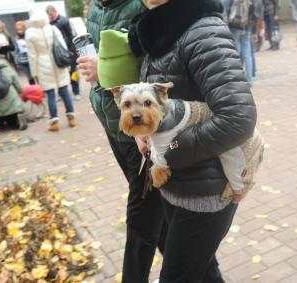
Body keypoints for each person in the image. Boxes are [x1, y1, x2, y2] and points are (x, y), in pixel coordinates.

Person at [129, 0, 256, 282]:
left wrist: (168, 151)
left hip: (206, 194)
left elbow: (239, 119)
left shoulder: (202, 30)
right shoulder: (156, 28)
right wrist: (146, 132)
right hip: (176, 186)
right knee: (205, 272)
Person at [77, 1, 166, 282]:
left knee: (141, 215)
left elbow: (159, 66)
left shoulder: (144, 4)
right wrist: (93, 69)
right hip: (115, 127)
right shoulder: (95, 8)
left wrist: (102, 69)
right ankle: (197, 270)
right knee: (155, 210)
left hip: (143, 133)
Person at [26, 11, 75, 132]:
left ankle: (54, 122)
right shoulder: (53, 28)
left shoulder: (30, 33)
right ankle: (71, 118)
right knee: (64, 91)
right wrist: (67, 63)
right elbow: (63, 46)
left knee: (50, 95)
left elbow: (32, 56)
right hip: (58, 62)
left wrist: (34, 73)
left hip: (43, 65)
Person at [0, 55, 28, 135]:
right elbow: (18, 87)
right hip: (11, 102)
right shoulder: (8, 69)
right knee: (13, 122)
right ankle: (17, 119)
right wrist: (20, 92)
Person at [46, 5, 81, 100]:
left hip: (69, 51)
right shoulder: (48, 23)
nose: (51, 16)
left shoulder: (64, 20)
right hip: (57, 52)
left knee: (73, 72)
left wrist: (73, 51)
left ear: (55, 11)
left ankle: (76, 92)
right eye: (49, 15)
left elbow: (71, 35)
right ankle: (61, 94)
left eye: (52, 14)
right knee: (59, 74)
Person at [223, 0, 261, 83]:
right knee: (248, 55)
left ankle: (237, 78)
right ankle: (249, 79)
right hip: (247, 28)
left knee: (236, 53)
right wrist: (254, 32)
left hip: (234, 26)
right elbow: (254, 15)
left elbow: (226, 11)